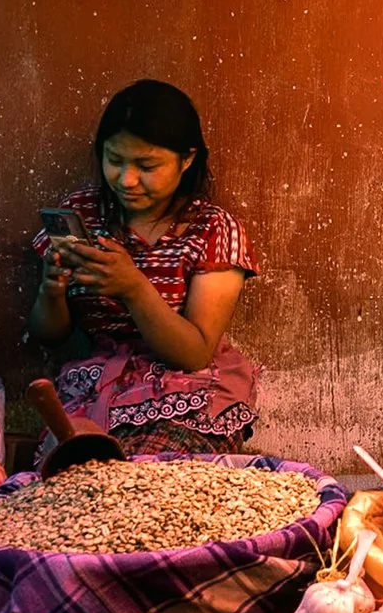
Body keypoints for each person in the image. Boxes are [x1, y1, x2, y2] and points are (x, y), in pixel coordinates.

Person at [28, 80, 261, 455]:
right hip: (95, 391)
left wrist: (133, 288)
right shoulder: (82, 213)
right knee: (73, 478)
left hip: (186, 392)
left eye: (146, 165)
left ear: (186, 159)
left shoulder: (213, 229)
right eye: (114, 160)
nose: (126, 180)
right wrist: (51, 290)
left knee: (150, 481)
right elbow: (49, 334)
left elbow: (194, 353)